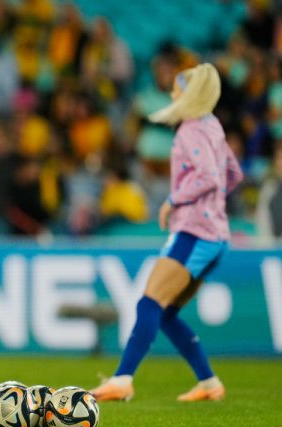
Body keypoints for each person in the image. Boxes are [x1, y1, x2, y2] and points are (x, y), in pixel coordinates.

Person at [90, 63, 243, 402]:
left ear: (189, 93)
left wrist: (174, 201)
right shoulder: (213, 125)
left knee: (149, 302)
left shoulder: (190, 129)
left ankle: (122, 379)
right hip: (217, 236)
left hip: (194, 233)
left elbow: (211, 178)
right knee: (167, 312)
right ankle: (209, 383)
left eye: (177, 88)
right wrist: (215, 208)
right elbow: (232, 174)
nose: (172, 93)